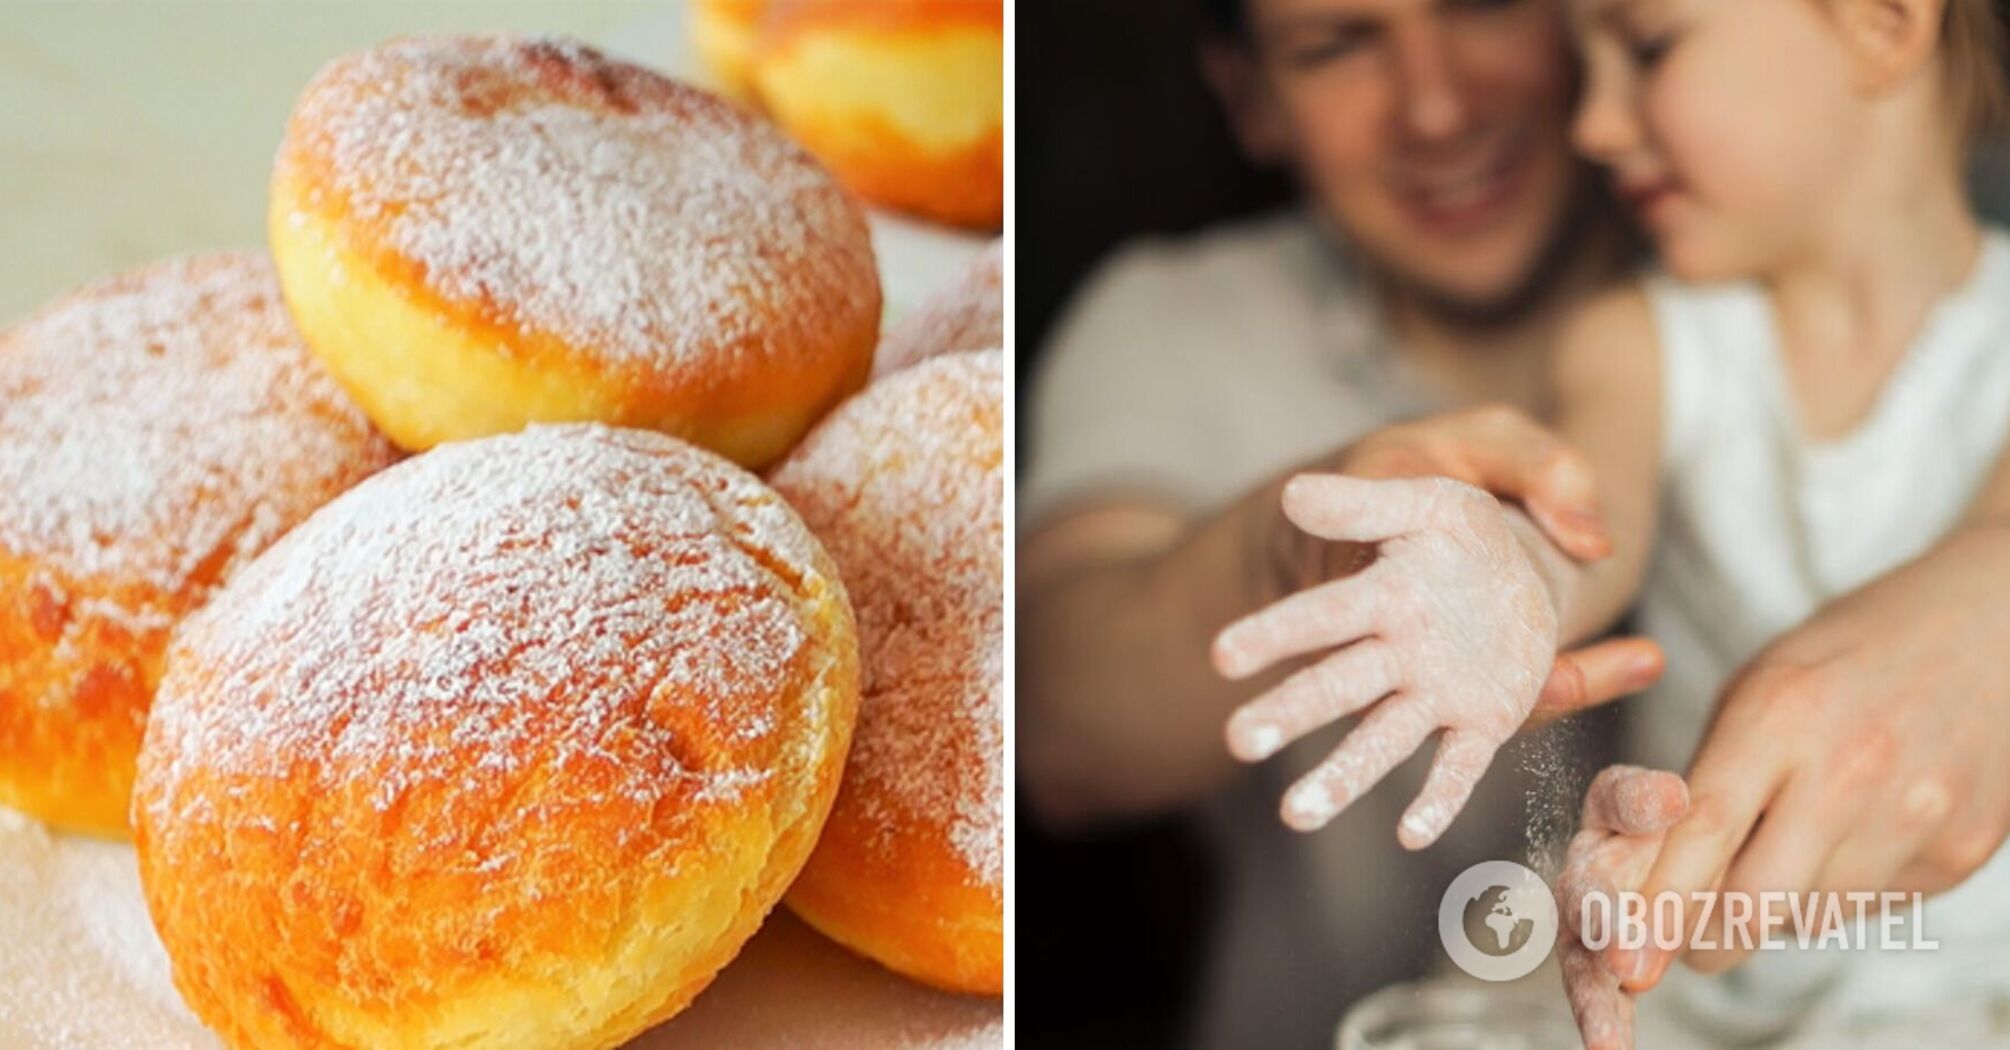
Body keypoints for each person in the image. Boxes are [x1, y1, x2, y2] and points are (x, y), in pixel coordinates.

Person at [1206, 0, 2010, 1044]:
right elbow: (1592, 517)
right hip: (1661, 961)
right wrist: (1508, 574)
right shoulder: (1639, 339)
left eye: (1647, 50)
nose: (1593, 126)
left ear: (1881, 22)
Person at [1019, 0, 1660, 1045]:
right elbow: (1056, 732)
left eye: (1483, 6)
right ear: (1250, 98)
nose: (1437, 108)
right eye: (1336, 45)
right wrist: (1298, 549)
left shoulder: (1748, 271)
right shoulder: (1170, 322)